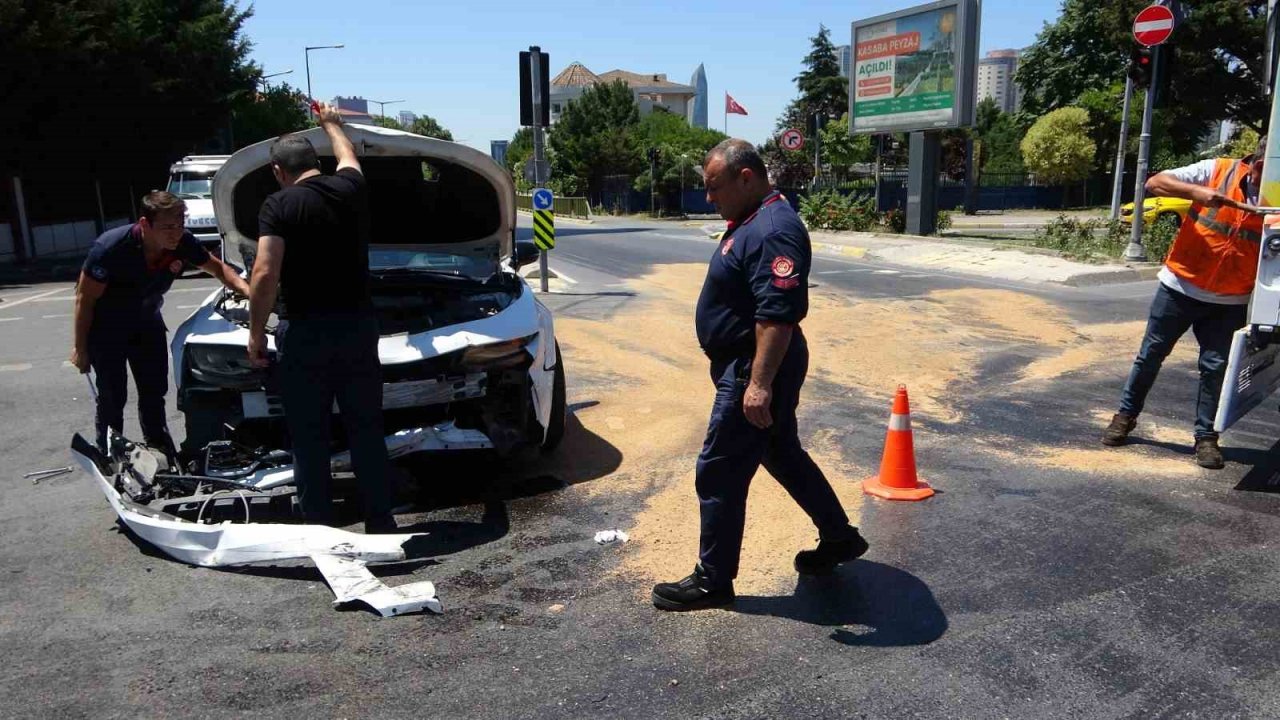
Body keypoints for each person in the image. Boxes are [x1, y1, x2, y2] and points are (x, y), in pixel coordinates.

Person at [651, 139, 868, 612]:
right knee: (781, 453)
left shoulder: (772, 230)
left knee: (720, 468)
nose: (709, 197)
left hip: (756, 366)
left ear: (745, 178)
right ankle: (839, 536)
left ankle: (713, 580)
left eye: (715, 187)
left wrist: (758, 385)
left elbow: (777, 316)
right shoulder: (754, 219)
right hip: (752, 364)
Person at [246, 103, 396, 533]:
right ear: (316, 162)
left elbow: (265, 272)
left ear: (278, 171)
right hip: (357, 329)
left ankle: (319, 529)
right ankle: (381, 522)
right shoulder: (351, 188)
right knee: (366, 428)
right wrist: (330, 123)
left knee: (309, 435)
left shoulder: (278, 205)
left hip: (305, 334)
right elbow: (348, 155)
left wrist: (256, 335)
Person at [1102, 135, 1268, 469]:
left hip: (1229, 299)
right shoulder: (1217, 170)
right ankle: (1125, 416)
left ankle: (1206, 438)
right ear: (1257, 163)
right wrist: (1196, 193)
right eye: (1264, 172)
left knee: (1215, 369)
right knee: (1150, 355)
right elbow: (1155, 183)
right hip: (1179, 286)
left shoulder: (1275, 199)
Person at [71, 191, 250, 456]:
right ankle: (110, 451)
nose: (176, 233)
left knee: (154, 390)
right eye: (167, 227)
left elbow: (218, 269)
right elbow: (84, 300)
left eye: (180, 224)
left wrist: (248, 291)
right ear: (145, 224)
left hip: (146, 321)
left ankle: (159, 446)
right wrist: (80, 348)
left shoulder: (181, 242)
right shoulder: (110, 249)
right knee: (112, 395)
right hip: (107, 328)